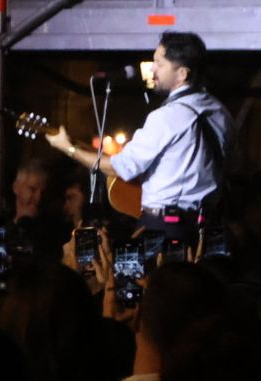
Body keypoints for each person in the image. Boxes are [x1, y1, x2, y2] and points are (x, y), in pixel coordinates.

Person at [45, 32, 233, 232]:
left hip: (167, 225)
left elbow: (122, 168)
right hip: (208, 225)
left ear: (182, 74)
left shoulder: (167, 117)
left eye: (159, 64)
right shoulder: (221, 113)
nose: (152, 68)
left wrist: (69, 148)